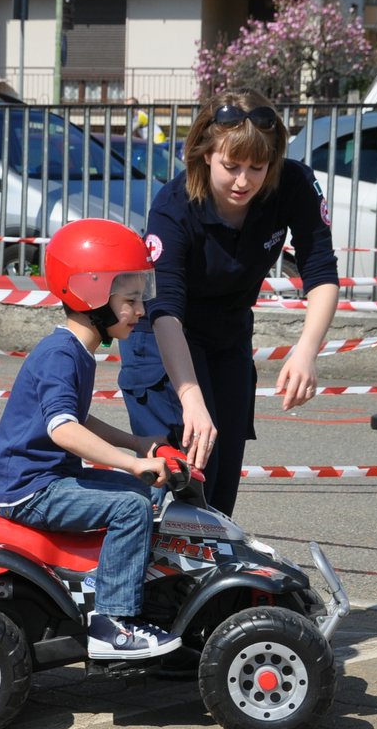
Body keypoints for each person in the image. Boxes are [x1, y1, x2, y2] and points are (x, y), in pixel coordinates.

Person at [117, 89, 339, 518]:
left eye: (257, 168)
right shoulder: (173, 206)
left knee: (221, 483)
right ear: (204, 154)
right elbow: (165, 311)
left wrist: (306, 350)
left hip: (227, 336)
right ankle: (140, 577)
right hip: (163, 338)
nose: (243, 181)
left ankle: (203, 582)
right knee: (184, 475)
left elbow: (322, 274)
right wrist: (190, 397)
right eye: (231, 166)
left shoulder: (294, 184)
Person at [0, 218, 180, 662]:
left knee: (145, 496)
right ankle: (112, 624)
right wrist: (130, 462)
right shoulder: (62, 354)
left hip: (50, 480)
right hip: (32, 491)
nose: (139, 310)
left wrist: (137, 444)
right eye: (131, 300)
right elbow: (64, 429)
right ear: (92, 295)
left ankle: (127, 586)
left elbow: (79, 417)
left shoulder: (76, 350)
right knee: (132, 503)